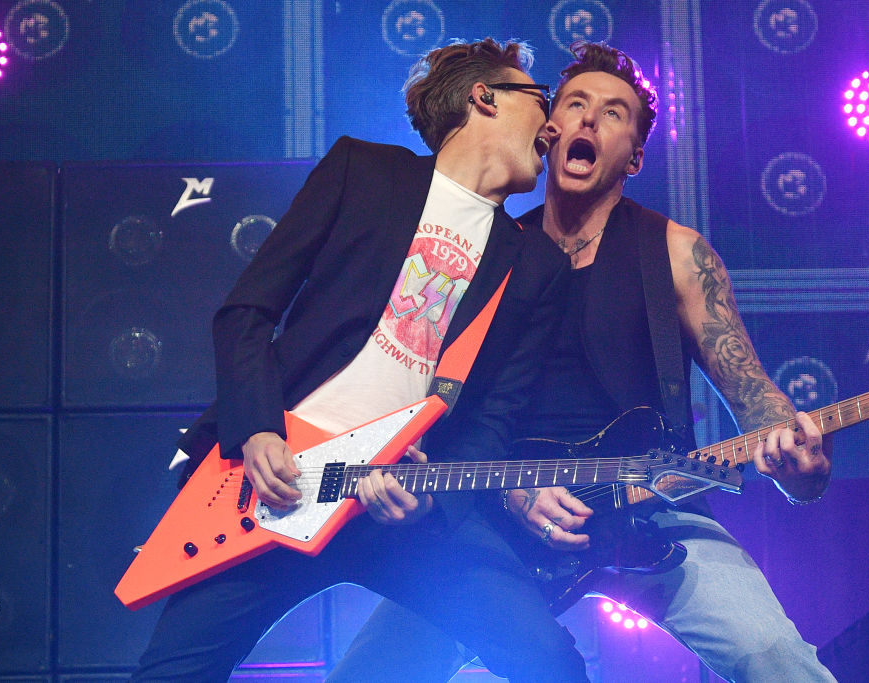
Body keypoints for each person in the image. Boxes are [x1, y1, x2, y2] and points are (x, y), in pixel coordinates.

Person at [327, 41, 837, 682]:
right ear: (549, 130)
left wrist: (801, 465)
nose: (590, 119)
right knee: (367, 673)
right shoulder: (489, 252)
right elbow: (445, 412)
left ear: (635, 156)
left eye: (614, 112)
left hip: (652, 506)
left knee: (775, 658)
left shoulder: (676, 253)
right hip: (500, 514)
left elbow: (754, 394)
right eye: (574, 104)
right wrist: (512, 489)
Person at [129, 38, 591, 682]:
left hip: (401, 508)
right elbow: (247, 312)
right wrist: (257, 430)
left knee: (551, 662)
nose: (554, 124)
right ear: (484, 97)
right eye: (541, 99)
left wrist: (429, 497)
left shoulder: (535, 265)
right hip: (278, 483)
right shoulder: (364, 171)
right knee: (172, 673)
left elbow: (495, 418)